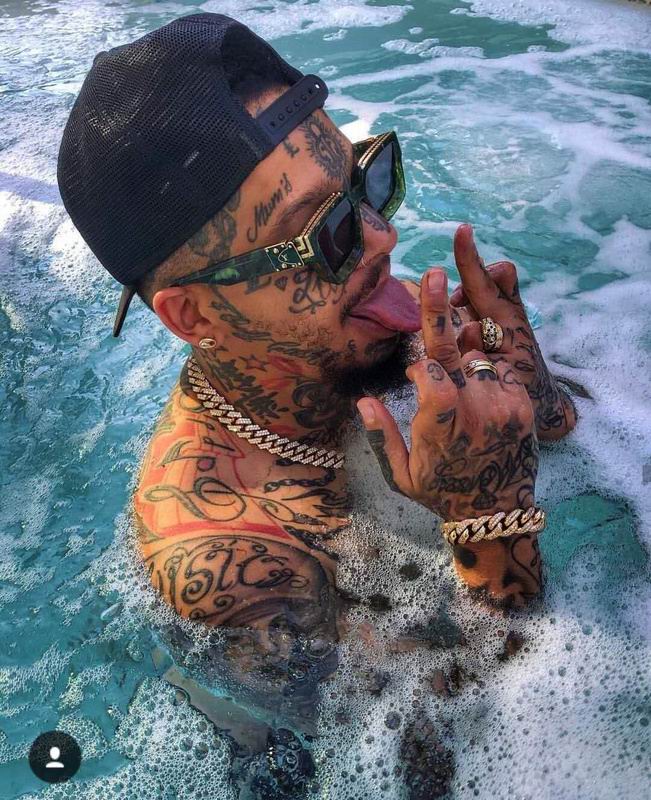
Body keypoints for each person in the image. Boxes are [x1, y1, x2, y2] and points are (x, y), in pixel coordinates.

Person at [57, 12, 577, 787]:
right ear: (193, 316)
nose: (380, 239)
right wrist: (490, 516)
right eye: (326, 232)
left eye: (364, 181)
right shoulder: (233, 573)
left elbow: (564, 429)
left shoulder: (344, 320)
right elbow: (462, 750)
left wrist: (528, 378)